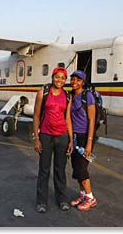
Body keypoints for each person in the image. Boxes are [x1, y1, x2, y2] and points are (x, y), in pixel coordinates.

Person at [33, 67, 73, 213]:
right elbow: (36, 116)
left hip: (62, 136)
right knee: (44, 170)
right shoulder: (42, 93)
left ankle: (62, 199)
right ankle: (41, 202)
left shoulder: (68, 95)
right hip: (45, 135)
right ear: (52, 77)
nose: (60, 80)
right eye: (57, 77)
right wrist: (36, 138)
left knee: (60, 170)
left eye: (63, 78)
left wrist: (71, 139)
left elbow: (67, 118)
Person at [69, 70, 98, 211]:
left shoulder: (88, 96)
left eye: (78, 80)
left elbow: (92, 120)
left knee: (82, 169)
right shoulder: (71, 95)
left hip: (85, 136)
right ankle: (82, 195)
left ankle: (91, 198)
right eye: (73, 79)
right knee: (76, 168)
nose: (74, 82)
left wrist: (89, 143)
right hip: (73, 137)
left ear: (83, 82)